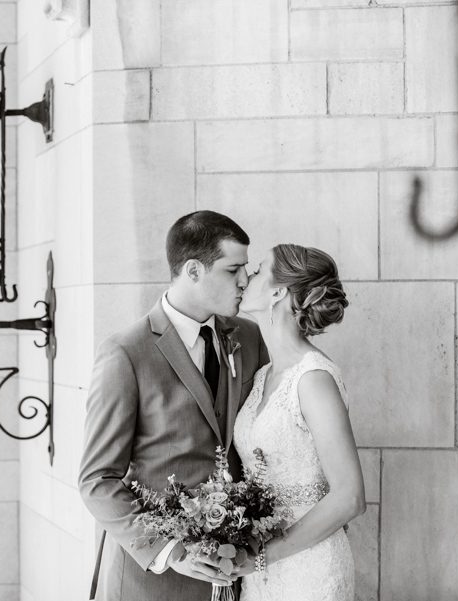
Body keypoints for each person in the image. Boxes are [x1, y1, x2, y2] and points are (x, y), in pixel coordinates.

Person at [78, 210, 269, 601]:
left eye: (246, 269)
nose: (246, 281)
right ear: (194, 270)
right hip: (152, 582)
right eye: (234, 270)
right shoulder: (125, 354)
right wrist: (171, 551)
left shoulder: (248, 336)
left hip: (240, 576)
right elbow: (97, 480)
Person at [232, 243, 365, 600]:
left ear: (279, 291)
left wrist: (260, 557)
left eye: (258, 270)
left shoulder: (313, 379)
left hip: (311, 570)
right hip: (261, 574)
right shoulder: (262, 376)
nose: (247, 277)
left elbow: (350, 497)